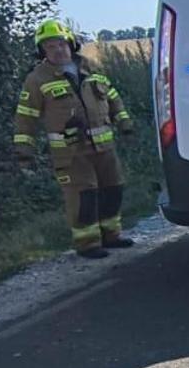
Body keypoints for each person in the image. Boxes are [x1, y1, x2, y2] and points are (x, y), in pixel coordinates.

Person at [12, 20, 136, 258]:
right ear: (42, 52)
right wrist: (24, 152)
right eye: (50, 47)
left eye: (61, 44)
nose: (58, 50)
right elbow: (25, 118)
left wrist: (125, 123)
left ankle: (111, 235)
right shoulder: (37, 79)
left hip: (104, 148)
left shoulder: (91, 69)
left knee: (113, 189)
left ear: (71, 44)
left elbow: (113, 98)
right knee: (83, 197)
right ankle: (88, 244)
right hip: (71, 153)